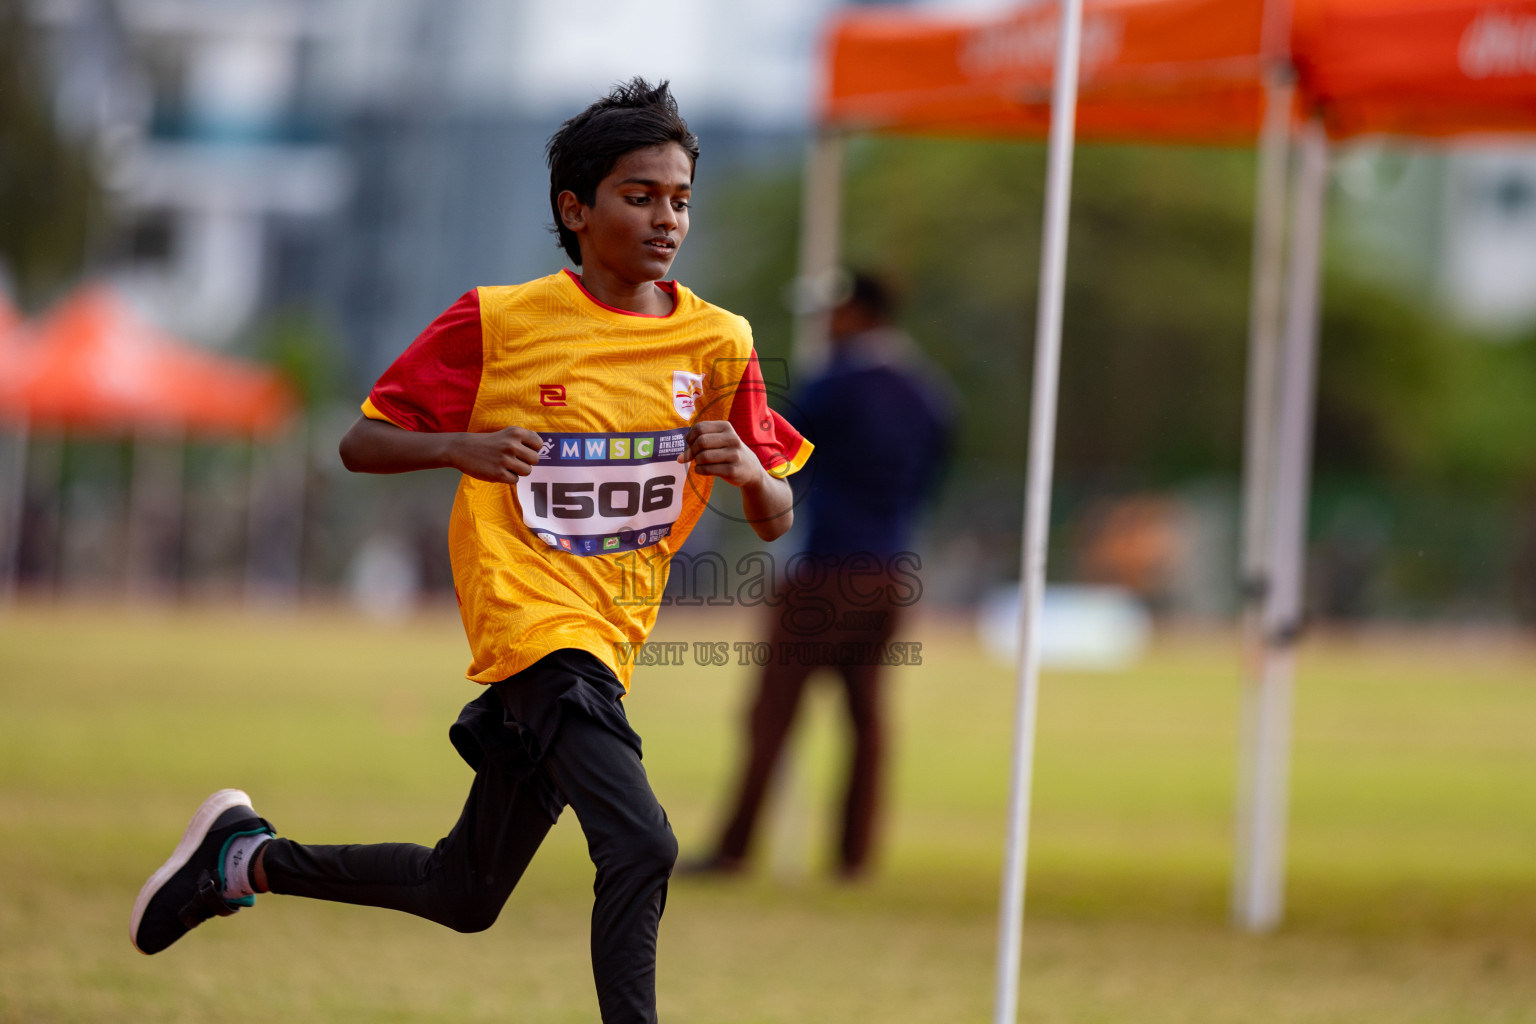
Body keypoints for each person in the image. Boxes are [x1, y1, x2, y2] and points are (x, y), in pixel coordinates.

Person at [128, 79, 811, 1024]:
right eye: (639, 194)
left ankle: (241, 858)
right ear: (575, 209)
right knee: (642, 845)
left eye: (681, 199)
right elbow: (360, 441)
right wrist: (460, 445)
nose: (666, 219)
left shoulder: (721, 343)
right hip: (534, 626)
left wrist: (747, 470)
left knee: (465, 893)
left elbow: (776, 518)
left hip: (609, 643)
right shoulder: (499, 321)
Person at [689, 271, 954, 880]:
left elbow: (779, 458)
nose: (823, 326)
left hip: (824, 571)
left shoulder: (835, 384)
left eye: (832, 313)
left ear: (858, 313)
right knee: (866, 717)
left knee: (773, 711)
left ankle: (733, 850)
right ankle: (854, 858)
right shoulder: (928, 393)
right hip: (890, 568)